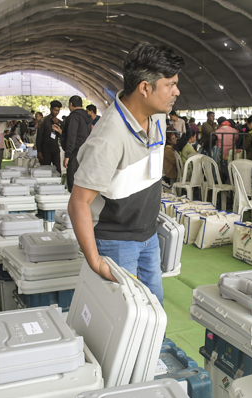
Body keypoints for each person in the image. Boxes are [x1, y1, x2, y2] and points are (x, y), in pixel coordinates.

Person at [68, 42, 184, 303]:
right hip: (116, 243)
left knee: (153, 309)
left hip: (148, 235)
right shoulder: (109, 138)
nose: (177, 91)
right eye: (170, 84)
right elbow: (78, 204)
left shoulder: (159, 117)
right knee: (126, 317)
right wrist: (96, 262)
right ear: (145, 88)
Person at [54, 95, 93, 192]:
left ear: (71, 104)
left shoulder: (74, 117)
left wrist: (67, 155)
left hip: (75, 151)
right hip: (85, 151)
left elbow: (72, 135)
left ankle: (73, 202)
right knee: (82, 180)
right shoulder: (87, 117)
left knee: (72, 179)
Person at [36, 100, 63, 173]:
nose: (56, 112)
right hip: (45, 150)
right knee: (45, 170)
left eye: (58, 110)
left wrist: (57, 125)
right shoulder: (43, 121)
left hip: (55, 149)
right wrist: (39, 151)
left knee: (57, 170)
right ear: (51, 109)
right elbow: (39, 137)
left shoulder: (60, 122)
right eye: (55, 110)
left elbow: (62, 135)